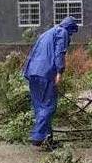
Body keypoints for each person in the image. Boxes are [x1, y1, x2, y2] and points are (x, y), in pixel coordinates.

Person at [23, 16, 79, 151]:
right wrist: (59, 72)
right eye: (72, 32)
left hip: (32, 72)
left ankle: (48, 139)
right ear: (70, 28)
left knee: (39, 107)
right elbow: (59, 53)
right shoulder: (62, 32)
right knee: (49, 106)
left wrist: (27, 71)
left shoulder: (46, 33)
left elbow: (33, 52)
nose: (71, 35)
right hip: (46, 73)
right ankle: (37, 137)